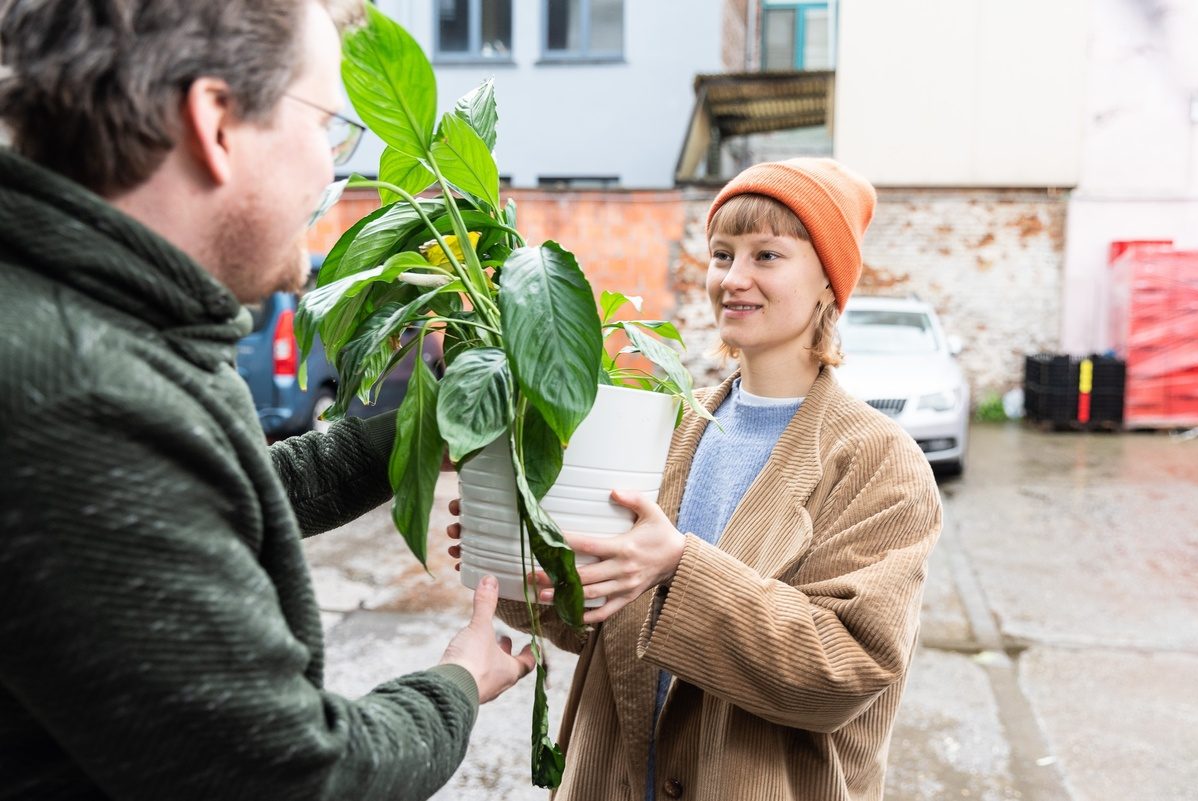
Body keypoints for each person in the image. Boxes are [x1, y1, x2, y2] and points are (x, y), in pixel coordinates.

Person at [0, 2, 533, 799]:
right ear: (215, 122)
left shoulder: (102, 312)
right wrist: (455, 683)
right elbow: (290, 773)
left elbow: (207, 499)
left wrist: (423, 434)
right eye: (327, 126)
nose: (334, 170)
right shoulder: (76, 390)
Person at [450, 157, 943, 800]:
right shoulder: (668, 423)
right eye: (720, 254)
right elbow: (600, 620)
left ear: (828, 281)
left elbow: (843, 670)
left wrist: (679, 567)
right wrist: (520, 557)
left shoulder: (881, 464)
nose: (733, 279)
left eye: (767, 255)